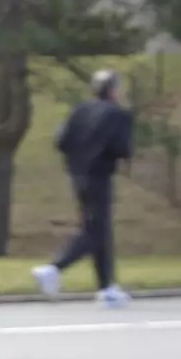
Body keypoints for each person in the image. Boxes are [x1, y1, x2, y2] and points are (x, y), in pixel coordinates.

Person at [34, 68, 133, 307]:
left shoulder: (79, 110)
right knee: (96, 231)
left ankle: (107, 287)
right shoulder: (118, 114)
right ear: (112, 89)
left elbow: (61, 141)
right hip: (100, 176)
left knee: (99, 229)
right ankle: (54, 268)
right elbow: (122, 148)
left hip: (77, 176)